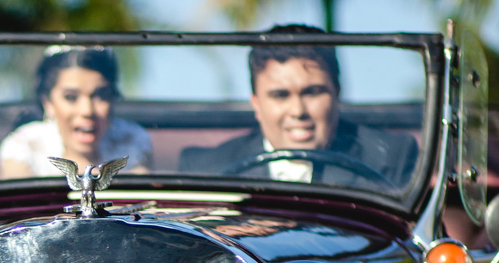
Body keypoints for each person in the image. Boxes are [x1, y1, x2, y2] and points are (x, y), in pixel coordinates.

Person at [179, 25, 418, 189]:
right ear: (256, 103)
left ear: (337, 93)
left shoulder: (387, 159)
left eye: (312, 92)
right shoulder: (207, 170)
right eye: (280, 95)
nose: (298, 111)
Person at [0, 45, 152, 178]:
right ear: (48, 102)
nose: (87, 111)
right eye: (71, 97)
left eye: (100, 96)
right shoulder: (22, 147)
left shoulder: (133, 141)